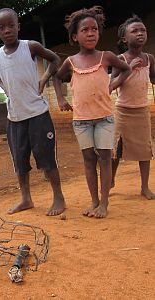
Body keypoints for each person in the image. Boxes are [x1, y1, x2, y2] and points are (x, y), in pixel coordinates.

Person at [53, 6, 131, 218]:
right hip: (81, 121)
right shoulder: (70, 62)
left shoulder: (106, 56)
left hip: (104, 118)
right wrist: (61, 98)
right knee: (89, 159)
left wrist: (113, 84)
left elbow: (127, 69)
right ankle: (94, 201)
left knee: (105, 158)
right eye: (85, 30)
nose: (90, 33)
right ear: (75, 36)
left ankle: (104, 203)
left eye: (94, 29)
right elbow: (57, 77)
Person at [0, 8, 66, 216]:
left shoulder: (30, 46)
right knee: (19, 160)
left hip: (38, 114)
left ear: (18, 26)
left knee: (46, 157)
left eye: (11, 25)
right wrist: (4, 86)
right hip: (14, 117)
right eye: (2, 27)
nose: (7, 30)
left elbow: (55, 60)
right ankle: (26, 199)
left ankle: (58, 197)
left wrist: (43, 79)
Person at [111, 15, 155, 199]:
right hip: (122, 111)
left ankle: (144, 187)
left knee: (145, 150)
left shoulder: (149, 58)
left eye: (142, 30)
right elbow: (112, 84)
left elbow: (152, 78)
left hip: (142, 110)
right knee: (116, 150)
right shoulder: (119, 58)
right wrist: (128, 68)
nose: (139, 34)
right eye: (134, 31)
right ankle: (110, 180)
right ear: (124, 39)